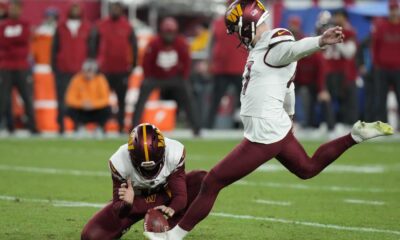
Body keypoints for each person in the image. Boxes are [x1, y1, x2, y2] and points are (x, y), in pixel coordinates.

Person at [144, 1, 393, 239]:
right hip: (276, 126)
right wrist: (291, 113)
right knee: (307, 169)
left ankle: (173, 236)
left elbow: (292, 50)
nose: (236, 35)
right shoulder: (262, 45)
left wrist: (319, 42)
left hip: (265, 132)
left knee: (212, 182)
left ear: (248, 23)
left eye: (237, 28)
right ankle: (356, 135)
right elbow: (287, 85)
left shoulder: (277, 41)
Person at [81, 123, 207, 240]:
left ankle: (172, 227)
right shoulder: (119, 162)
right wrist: (126, 204)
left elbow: (180, 196)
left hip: (164, 197)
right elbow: (118, 208)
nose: (150, 172)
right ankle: (129, 223)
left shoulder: (174, 152)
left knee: (201, 179)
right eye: (145, 168)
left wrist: (172, 208)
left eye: (154, 166)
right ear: (131, 157)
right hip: (136, 203)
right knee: (90, 236)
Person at [132, 17, 200, 135]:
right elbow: (146, 62)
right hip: (156, 77)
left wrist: (183, 77)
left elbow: (187, 61)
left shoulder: (181, 43)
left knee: (188, 94)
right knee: (143, 92)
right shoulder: (154, 43)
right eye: (167, 33)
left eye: (171, 33)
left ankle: (196, 127)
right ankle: (134, 125)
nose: (169, 36)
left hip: (174, 78)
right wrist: (149, 77)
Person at [90, 1, 138, 134]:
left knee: (121, 100)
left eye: (117, 8)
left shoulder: (127, 26)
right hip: (105, 69)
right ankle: (101, 126)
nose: (115, 10)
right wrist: (95, 64)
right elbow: (93, 45)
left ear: (122, 10)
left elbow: (134, 46)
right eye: (113, 8)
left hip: (122, 69)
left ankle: (121, 127)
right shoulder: (101, 25)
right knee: (102, 99)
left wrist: (133, 65)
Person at [289, 15, 334, 131]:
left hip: (313, 83)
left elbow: (320, 74)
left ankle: (329, 127)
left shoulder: (317, 57)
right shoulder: (296, 53)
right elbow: (294, 71)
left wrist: (322, 90)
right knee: (290, 95)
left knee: (323, 98)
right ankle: (291, 123)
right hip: (297, 81)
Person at [52, 3, 91, 134]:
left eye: (77, 9)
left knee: (79, 99)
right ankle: (61, 126)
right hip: (63, 69)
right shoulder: (60, 27)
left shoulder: (86, 27)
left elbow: (90, 49)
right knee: (61, 99)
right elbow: (54, 48)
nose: (75, 11)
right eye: (73, 8)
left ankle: (77, 126)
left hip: (80, 71)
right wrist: (55, 68)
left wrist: (88, 69)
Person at [0, 0, 38, 134]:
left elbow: (23, 42)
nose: (14, 10)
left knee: (27, 97)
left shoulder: (25, 24)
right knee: (3, 98)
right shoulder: (3, 25)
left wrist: (9, 46)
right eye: (12, 8)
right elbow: (3, 43)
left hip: (22, 67)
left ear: (21, 9)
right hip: (6, 67)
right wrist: (14, 45)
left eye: (16, 8)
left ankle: (33, 127)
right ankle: (6, 126)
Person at [205, 12, 248, 128]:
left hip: (237, 68)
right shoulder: (220, 22)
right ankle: (207, 127)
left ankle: (243, 127)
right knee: (216, 100)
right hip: (224, 68)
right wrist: (209, 62)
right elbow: (211, 44)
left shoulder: (244, 22)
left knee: (244, 101)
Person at [323, 9, 359, 127]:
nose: (336, 19)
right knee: (329, 100)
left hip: (344, 72)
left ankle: (347, 125)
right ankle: (331, 125)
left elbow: (349, 53)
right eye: (335, 16)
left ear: (345, 17)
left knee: (346, 101)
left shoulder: (350, 32)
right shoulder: (328, 31)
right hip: (330, 71)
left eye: (339, 16)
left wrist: (338, 41)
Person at [372, 0, 400, 123]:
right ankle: (382, 126)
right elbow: (375, 46)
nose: (393, 12)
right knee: (380, 98)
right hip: (382, 68)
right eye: (391, 10)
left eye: (395, 9)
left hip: (398, 68)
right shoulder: (381, 26)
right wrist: (376, 63)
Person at [65, 60, 111, 134]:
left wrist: (93, 104)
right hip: (81, 109)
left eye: (91, 71)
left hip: (96, 109)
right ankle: (80, 127)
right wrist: (82, 104)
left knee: (108, 109)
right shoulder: (77, 79)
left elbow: (106, 99)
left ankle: (99, 128)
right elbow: (69, 99)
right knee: (69, 109)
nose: (89, 74)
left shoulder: (100, 79)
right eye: (87, 71)